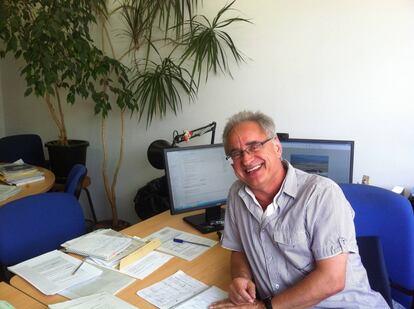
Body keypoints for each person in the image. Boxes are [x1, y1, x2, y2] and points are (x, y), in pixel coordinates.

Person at [210, 111, 389, 309]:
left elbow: (332, 280)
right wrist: (241, 278)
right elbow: (239, 249)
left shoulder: (322, 194)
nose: (246, 159)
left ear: (277, 146)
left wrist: (264, 308)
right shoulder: (237, 194)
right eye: (236, 153)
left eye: (254, 146)